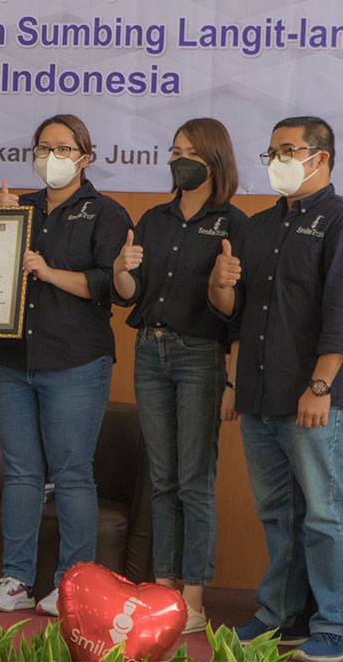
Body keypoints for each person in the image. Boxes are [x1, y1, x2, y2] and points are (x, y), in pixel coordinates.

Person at [0, 114, 132, 616]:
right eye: (43, 147)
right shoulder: (20, 208)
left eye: (63, 148)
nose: (52, 156)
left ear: (85, 157)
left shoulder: (106, 212)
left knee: (72, 474)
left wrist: (48, 272)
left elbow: (108, 286)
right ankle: (15, 579)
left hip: (75, 360)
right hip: (13, 359)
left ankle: (73, 584)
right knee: (22, 473)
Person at [210, 116, 343, 660]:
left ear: (321, 158)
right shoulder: (258, 226)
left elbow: (340, 313)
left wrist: (320, 386)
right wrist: (220, 288)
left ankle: (333, 621)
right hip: (259, 393)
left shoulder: (337, 221)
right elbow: (236, 316)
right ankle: (282, 613)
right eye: (271, 152)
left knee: (325, 513)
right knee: (277, 510)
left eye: (287, 150)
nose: (276, 161)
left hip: (313, 396)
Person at [112, 118, 246, 633]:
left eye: (188, 151)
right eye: (173, 151)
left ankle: (193, 600)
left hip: (201, 356)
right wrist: (124, 268)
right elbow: (128, 292)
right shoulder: (154, 217)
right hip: (150, 350)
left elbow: (235, 310)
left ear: (214, 160)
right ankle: (163, 590)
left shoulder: (233, 223)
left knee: (195, 480)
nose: (177, 159)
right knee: (163, 479)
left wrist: (221, 282)